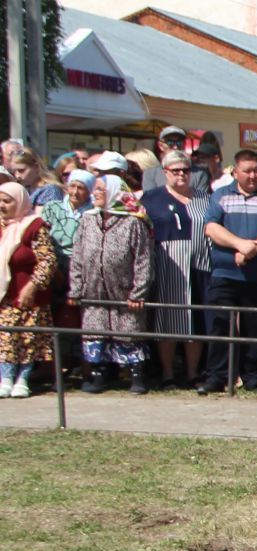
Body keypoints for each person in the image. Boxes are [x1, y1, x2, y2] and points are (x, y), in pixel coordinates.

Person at [201, 150, 257, 393]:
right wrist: (241, 245)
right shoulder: (220, 195)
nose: (253, 176)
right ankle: (216, 377)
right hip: (225, 274)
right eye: (247, 171)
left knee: (255, 327)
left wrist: (253, 250)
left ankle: (253, 379)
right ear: (235, 172)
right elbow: (211, 228)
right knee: (220, 326)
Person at [70, 174, 153, 393]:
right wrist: (76, 288)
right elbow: (78, 256)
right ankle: (99, 376)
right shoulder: (88, 220)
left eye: (100, 189)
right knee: (95, 332)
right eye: (95, 189)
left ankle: (137, 377)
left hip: (124, 291)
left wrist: (139, 293)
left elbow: (143, 260)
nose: (94, 193)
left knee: (129, 332)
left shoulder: (133, 222)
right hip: (93, 291)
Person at [140, 151, 207, 388]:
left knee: (195, 319)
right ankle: (168, 373)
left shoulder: (204, 198)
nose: (181, 175)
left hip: (200, 263)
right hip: (167, 263)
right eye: (175, 170)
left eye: (185, 170)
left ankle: (193, 373)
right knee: (167, 319)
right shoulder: (150, 198)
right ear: (165, 172)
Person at [0, 180, 55, 396]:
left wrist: (33, 286)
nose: (2, 206)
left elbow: (48, 260)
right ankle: (5, 377)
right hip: (4, 295)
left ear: (20, 202)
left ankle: (22, 378)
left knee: (28, 338)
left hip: (29, 296)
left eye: (7, 201)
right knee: (5, 337)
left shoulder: (34, 226)